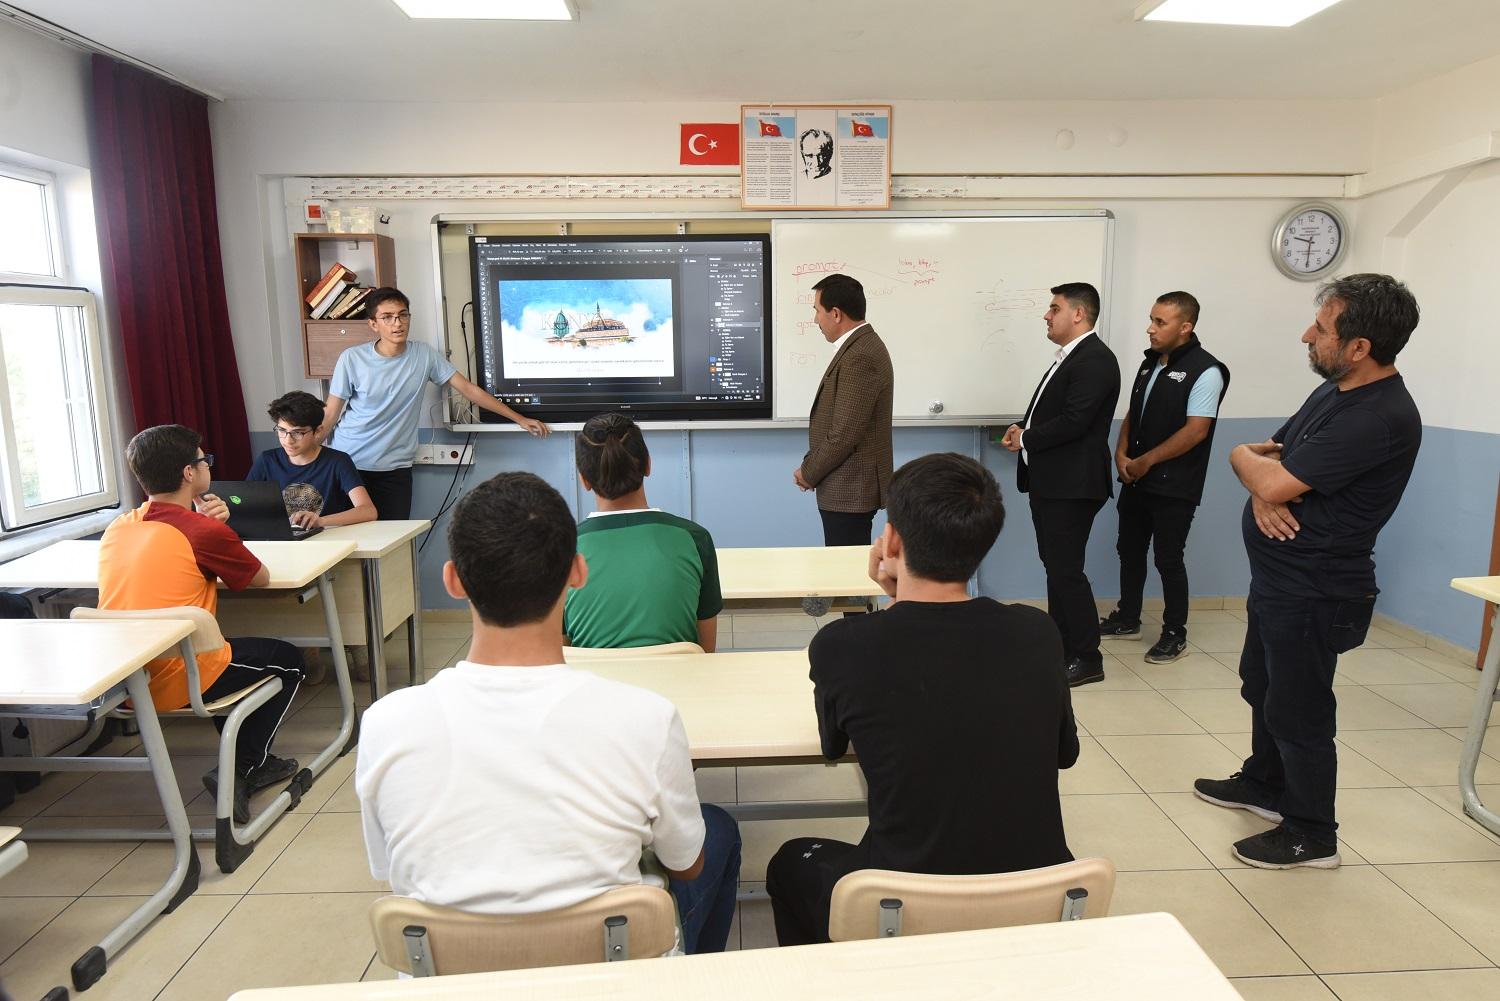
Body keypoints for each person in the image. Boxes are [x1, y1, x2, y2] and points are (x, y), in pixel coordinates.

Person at [355, 471, 740, 953]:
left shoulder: (385, 723)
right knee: (716, 829)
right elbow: (687, 864)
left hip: (450, 976)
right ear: (577, 572)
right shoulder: (648, 718)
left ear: (453, 580)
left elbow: (388, 868)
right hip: (612, 967)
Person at [766, 453, 1078, 946]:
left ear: (890, 541)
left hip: (900, 901)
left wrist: (894, 600)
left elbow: (834, 747)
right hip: (1035, 893)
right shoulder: (1037, 632)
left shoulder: (843, 645)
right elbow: (1065, 753)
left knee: (789, 862)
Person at [1195, 273, 1422, 870]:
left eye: (1320, 329)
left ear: (1359, 347)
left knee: (1300, 711)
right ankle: (1266, 785)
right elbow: (1273, 457)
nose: (1306, 336)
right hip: (1281, 581)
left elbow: (1265, 468)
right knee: (1262, 685)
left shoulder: (1377, 416)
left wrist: (1245, 464)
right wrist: (1261, 482)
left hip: (1317, 590)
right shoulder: (1335, 392)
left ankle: (1311, 833)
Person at [99, 424, 304, 824]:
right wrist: (218, 528)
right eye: (203, 460)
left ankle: (245, 757)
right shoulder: (203, 530)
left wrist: (203, 519)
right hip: (181, 674)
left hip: (124, 676)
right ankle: (244, 768)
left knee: (239, 657)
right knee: (288, 660)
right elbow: (259, 579)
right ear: (189, 472)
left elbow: (170, 540)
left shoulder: (121, 526)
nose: (208, 465)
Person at [318, 288, 550, 520]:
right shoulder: (352, 358)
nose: (397, 323)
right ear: (373, 324)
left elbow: (468, 389)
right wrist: (307, 456)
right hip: (350, 464)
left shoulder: (424, 355)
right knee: (347, 537)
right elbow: (331, 415)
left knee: (395, 538)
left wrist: (519, 418)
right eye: (387, 317)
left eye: (402, 315)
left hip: (395, 469)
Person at [1099, 292, 1230, 664]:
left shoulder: (1207, 370)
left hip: (1175, 484)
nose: (1150, 328)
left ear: (1185, 327)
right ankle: (1128, 618)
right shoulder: (1150, 363)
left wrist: (1146, 461)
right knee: (1129, 550)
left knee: (1168, 558)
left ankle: (1175, 633)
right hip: (1137, 479)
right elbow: (1134, 412)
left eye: (1160, 322)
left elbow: (1196, 431)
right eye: (1151, 319)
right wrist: (1121, 453)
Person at [1001, 282, 1121, 687]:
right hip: (1054, 482)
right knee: (1057, 567)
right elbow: (1051, 412)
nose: (1047, 315)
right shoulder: (1070, 358)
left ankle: (1087, 657)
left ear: (1078, 314)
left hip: (1073, 484)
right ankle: (1063, 648)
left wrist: (1027, 439)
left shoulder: (1095, 360)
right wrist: (1022, 427)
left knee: (1066, 570)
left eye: (1054, 308)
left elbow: (1075, 421)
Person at [564, 413, 723, 651]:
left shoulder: (560, 549)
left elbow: (560, 653)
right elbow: (707, 652)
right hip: (679, 676)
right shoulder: (695, 539)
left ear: (584, 479)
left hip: (594, 677)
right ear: (648, 465)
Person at [793, 273, 894, 548]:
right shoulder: (859, 346)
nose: (815, 320)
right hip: (846, 487)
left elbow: (844, 434)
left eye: (817, 310)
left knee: (845, 567)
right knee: (843, 564)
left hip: (850, 490)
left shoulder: (860, 355)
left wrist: (808, 471)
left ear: (836, 314)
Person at [247, 390, 377, 528]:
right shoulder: (267, 460)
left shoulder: (338, 461)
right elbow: (244, 503)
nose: (288, 440)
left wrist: (321, 521)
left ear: (318, 430)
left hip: (328, 536)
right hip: (281, 537)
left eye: (298, 432)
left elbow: (368, 511)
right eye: (282, 430)